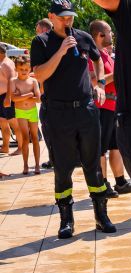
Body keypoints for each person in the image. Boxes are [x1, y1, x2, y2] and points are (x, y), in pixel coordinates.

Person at [31, 0, 116, 238]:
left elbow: (98, 59)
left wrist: (99, 83)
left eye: (70, 16)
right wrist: (60, 51)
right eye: (62, 17)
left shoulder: (83, 37)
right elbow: (39, 74)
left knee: (93, 165)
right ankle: (66, 220)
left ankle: (102, 216)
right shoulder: (42, 42)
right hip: (58, 113)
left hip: (86, 110)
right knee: (63, 167)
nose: (68, 21)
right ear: (51, 16)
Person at [88, 19, 131, 196]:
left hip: (113, 107)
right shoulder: (93, 56)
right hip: (101, 108)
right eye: (108, 32)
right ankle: (102, 183)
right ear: (99, 35)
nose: (112, 35)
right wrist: (118, 72)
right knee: (101, 149)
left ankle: (120, 181)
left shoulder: (106, 55)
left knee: (116, 146)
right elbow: (92, 80)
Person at [8, 56, 41, 174]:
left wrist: (21, 96)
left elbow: (38, 99)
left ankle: (37, 165)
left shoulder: (33, 81)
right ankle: (25, 165)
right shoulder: (13, 81)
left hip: (32, 111)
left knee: (35, 137)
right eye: (21, 69)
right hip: (21, 112)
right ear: (16, 69)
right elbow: (14, 99)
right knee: (26, 138)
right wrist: (28, 95)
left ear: (30, 69)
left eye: (26, 69)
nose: (24, 72)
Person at [35, 18, 54, 170]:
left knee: (49, 128)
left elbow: (42, 74)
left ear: (43, 29)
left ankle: (54, 159)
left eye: (37, 29)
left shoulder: (43, 45)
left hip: (50, 97)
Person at [0, 44, 21, 156]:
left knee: (14, 123)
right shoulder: (2, 62)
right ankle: (5, 147)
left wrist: (8, 98)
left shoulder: (6, 64)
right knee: (3, 122)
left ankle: (21, 147)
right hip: (1, 97)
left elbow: (11, 81)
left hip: (7, 96)